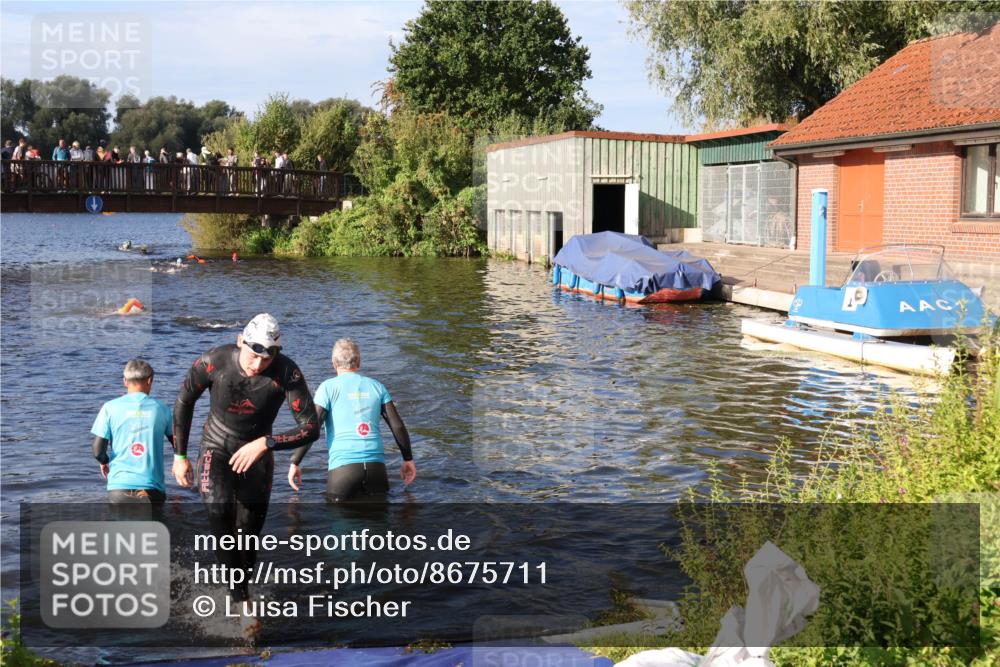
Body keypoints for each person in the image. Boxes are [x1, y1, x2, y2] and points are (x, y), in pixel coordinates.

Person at [172, 313, 319, 636]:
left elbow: (311, 428)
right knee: (218, 509)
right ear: (241, 341)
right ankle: (241, 604)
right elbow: (184, 401)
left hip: (258, 453)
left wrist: (266, 444)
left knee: (247, 535)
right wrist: (180, 455)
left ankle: (241, 590)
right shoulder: (214, 362)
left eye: (266, 359)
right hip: (216, 447)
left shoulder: (286, 372)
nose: (256, 365)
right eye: (253, 355)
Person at [289, 338, 414, 502]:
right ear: (359, 362)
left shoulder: (328, 388)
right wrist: (408, 459)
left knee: (341, 524)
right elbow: (397, 426)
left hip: (343, 471)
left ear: (333, 363)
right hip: (376, 470)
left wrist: (295, 462)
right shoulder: (377, 386)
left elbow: (313, 426)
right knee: (379, 524)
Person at [91, 359, 173, 506]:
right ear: (150, 381)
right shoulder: (161, 408)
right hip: (151, 489)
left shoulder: (109, 408)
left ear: (125, 381)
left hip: (118, 489)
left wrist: (104, 461)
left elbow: (98, 451)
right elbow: (178, 444)